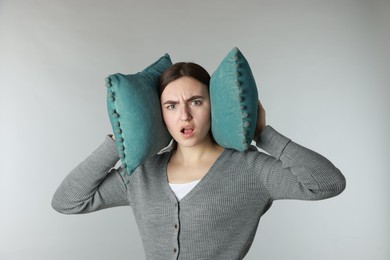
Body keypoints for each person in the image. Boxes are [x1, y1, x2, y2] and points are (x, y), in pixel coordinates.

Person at [52, 62, 346, 260]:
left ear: (213, 104)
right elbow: (68, 201)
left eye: (196, 101)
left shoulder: (249, 168)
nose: (184, 116)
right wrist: (121, 141)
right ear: (160, 114)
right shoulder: (141, 175)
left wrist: (262, 133)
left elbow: (327, 184)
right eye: (171, 106)